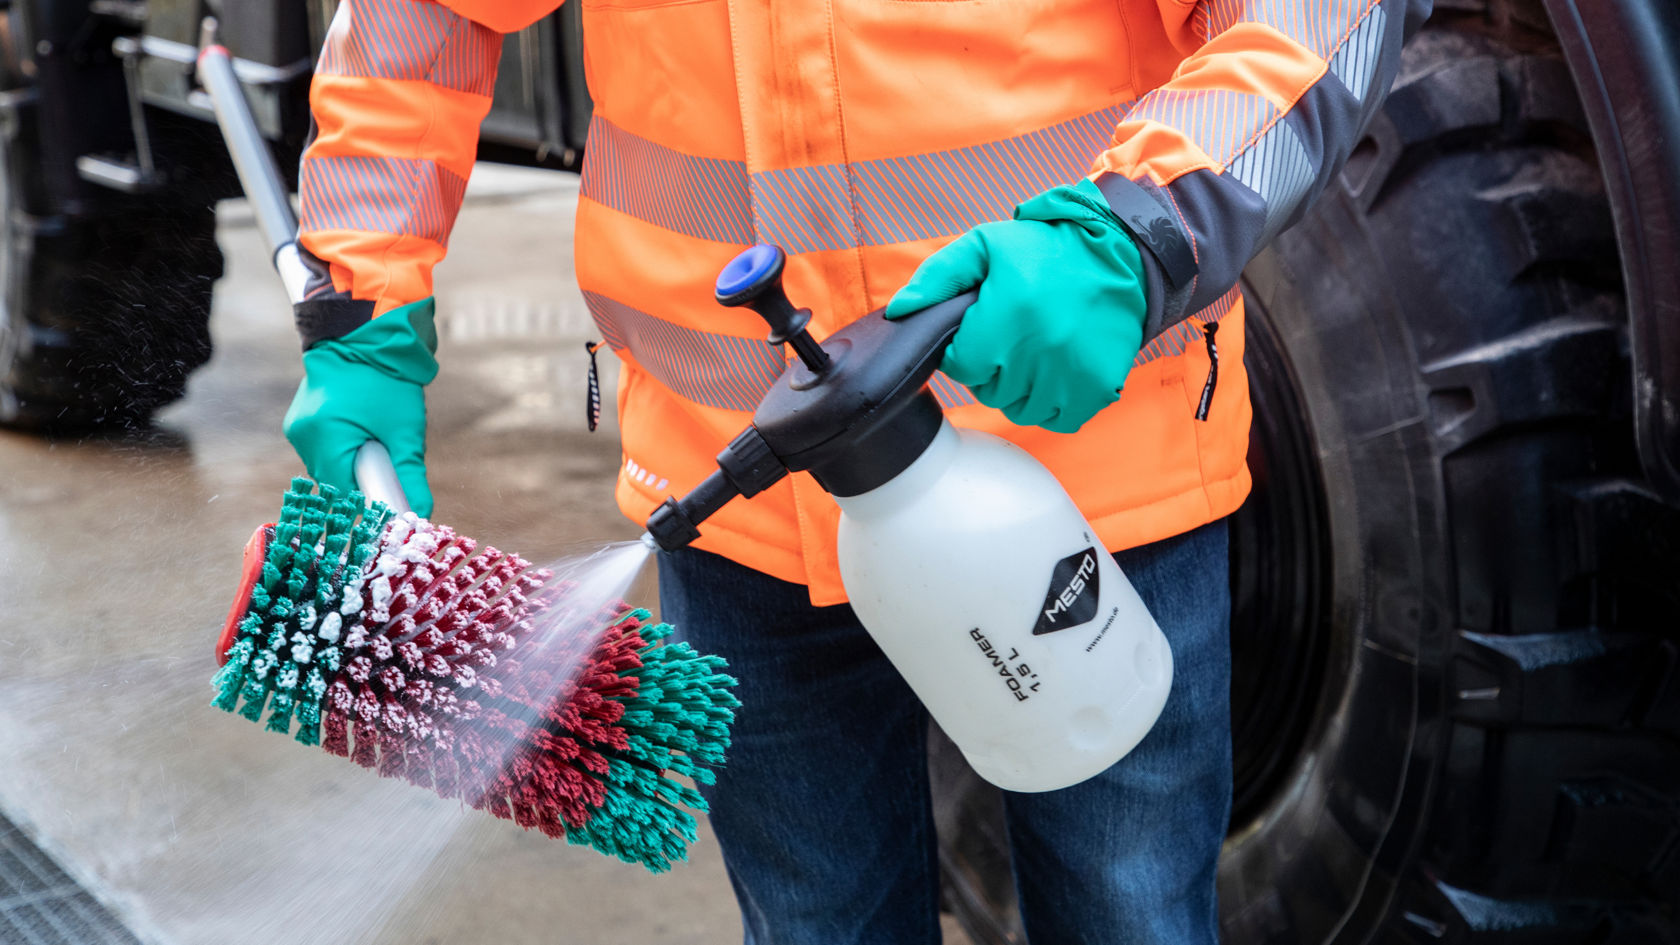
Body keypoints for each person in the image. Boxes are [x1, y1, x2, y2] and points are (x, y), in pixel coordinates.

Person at [281, 1, 1427, 941]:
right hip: (738, 496)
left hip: (1086, 486)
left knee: (1127, 917)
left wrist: (1140, 226)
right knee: (818, 923)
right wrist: (361, 301)